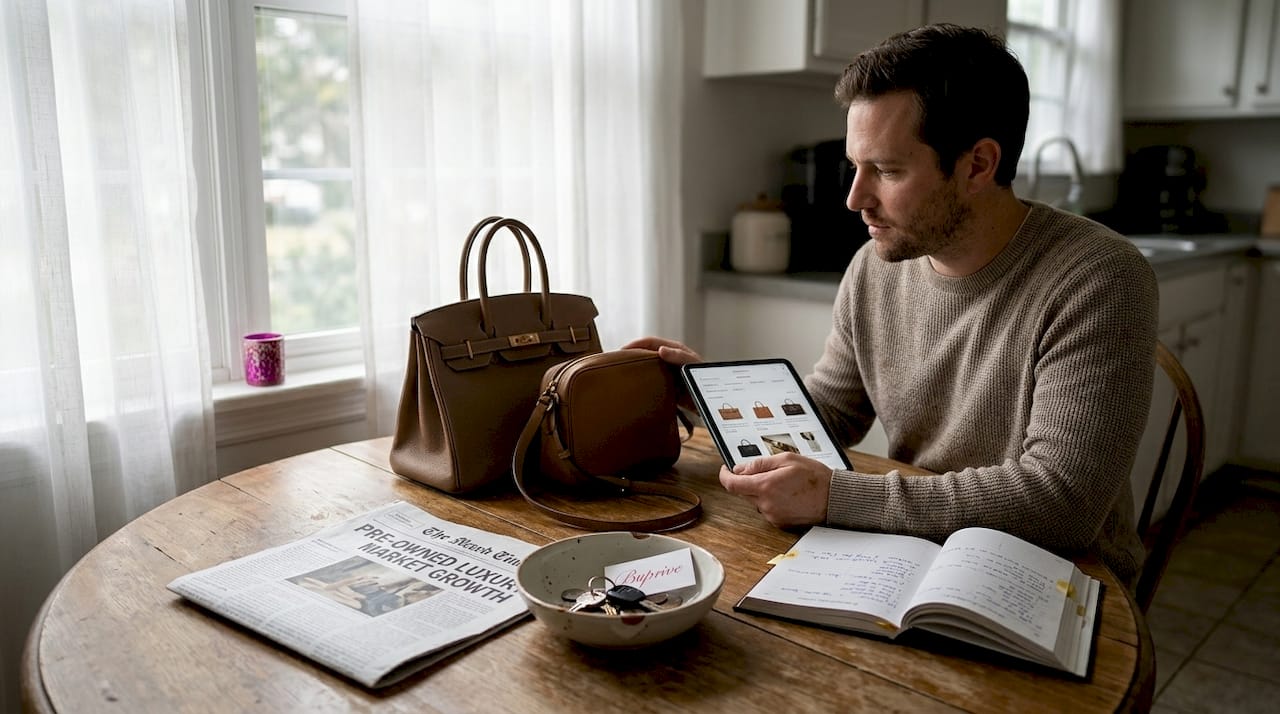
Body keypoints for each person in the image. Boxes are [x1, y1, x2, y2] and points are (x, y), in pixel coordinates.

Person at [627, 24, 1157, 586]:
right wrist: (709, 394)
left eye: (887, 170)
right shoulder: (875, 267)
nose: (855, 198)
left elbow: (1060, 503)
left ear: (978, 165)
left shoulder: (1099, 277)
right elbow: (831, 411)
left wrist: (838, 497)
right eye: (856, 167)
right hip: (918, 551)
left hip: (1058, 575)